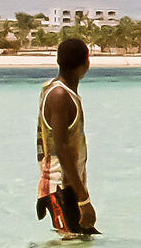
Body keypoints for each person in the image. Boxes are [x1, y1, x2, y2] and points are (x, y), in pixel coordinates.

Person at [36, 35, 96, 236]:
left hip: (68, 188)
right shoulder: (60, 95)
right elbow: (61, 149)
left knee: (80, 246)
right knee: (72, 246)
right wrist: (84, 200)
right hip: (60, 188)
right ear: (86, 63)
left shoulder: (58, 90)